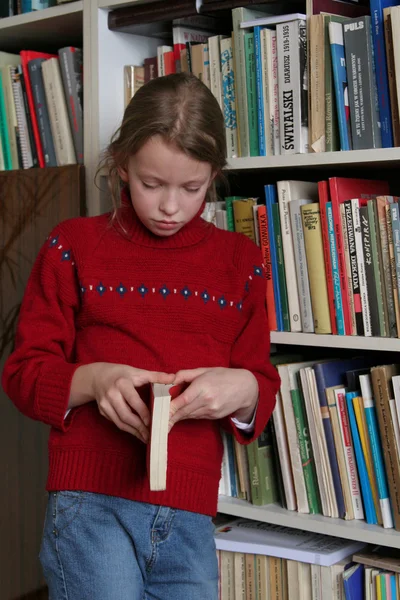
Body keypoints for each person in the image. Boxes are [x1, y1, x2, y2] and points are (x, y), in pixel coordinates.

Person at [2, 73, 280, 600]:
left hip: (192, 514)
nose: (170, 206)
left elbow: (259, 382)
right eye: (152, 185)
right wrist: (93, 379)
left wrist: (242, 390)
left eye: (192, 188)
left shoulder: (241, 264)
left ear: (214, 176)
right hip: (90, 507)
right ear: (122, 164)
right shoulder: (73, 247)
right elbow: (22, 373)